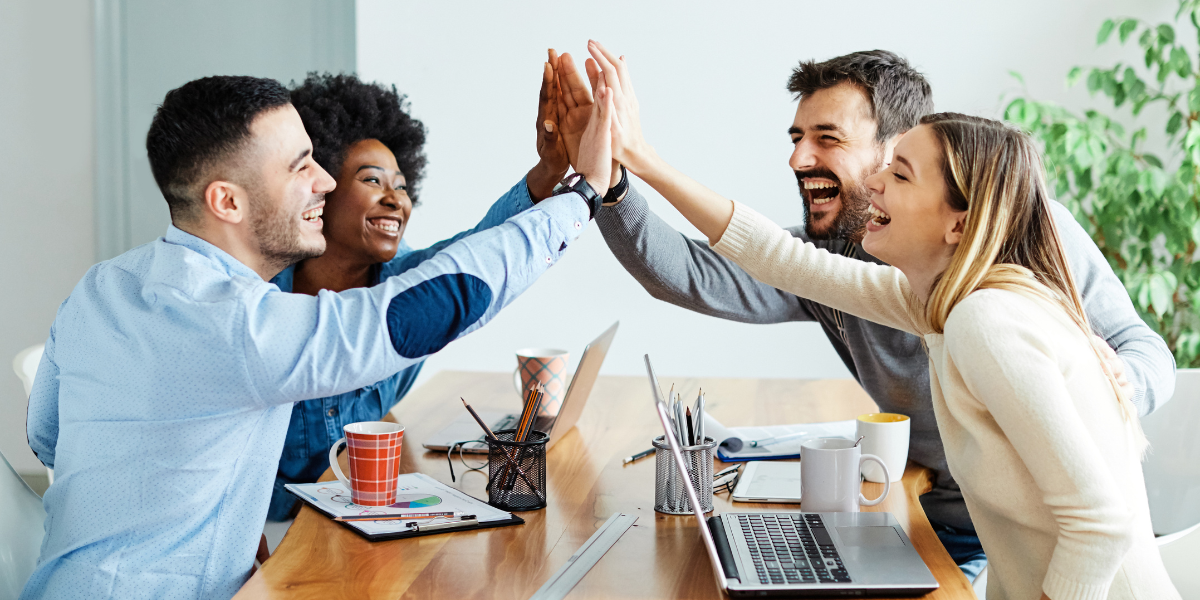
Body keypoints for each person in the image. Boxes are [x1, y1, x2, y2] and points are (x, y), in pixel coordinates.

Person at [547, 46, 1176, 579]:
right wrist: (619, 175)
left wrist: (1113, 387)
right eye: (797, 137)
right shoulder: (915, 293)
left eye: (829, 140)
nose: (799, 159)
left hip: (1033, 544)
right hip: (946, 513)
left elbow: (1098, 521)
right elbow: (764, 258)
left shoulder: (996, 295)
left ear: (904, 158)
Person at [22, 73, 614, 599]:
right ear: (227, 201)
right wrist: (583, 194)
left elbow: (47, 435)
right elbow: (431, 306)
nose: (323, 181)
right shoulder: (243, 327)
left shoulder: (101, 285)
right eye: (299, 166)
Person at [265, 67, 572, 521]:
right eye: (372, 180)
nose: (396, 200)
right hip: (273, 531)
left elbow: (475, 250)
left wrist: (550, 171)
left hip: (353, 516)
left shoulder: (407, 287)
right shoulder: (261, 304)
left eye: (403, 187)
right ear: (320, 188)